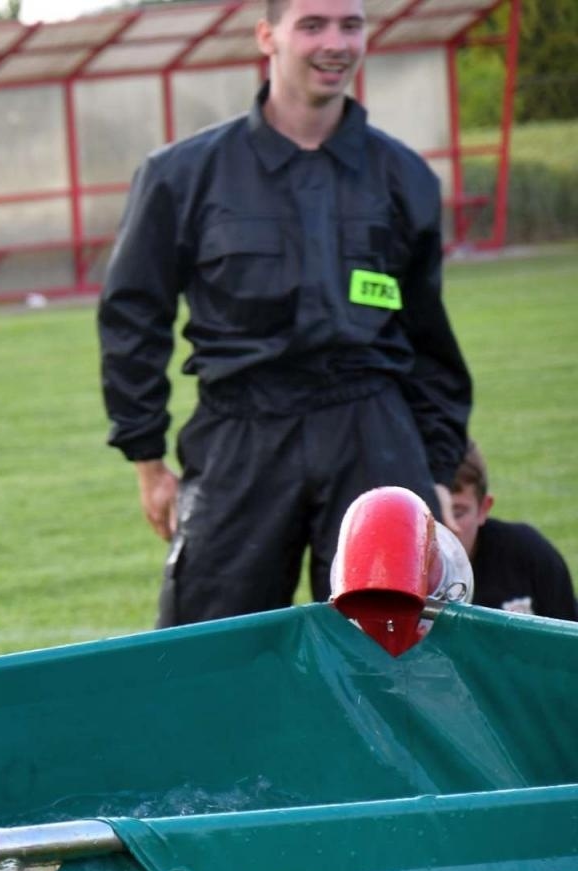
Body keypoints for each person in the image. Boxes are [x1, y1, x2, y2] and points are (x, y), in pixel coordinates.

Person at [98, 0, 472, 627]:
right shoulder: (182, 176)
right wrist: (147, 459)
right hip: (241, 434)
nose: (336, 43)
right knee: (211, 649)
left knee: (392, 647)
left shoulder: (405, 178)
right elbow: (133, 316)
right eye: (314, 25)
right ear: (267, 36)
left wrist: (433, 467)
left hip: (372, 432)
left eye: (351, 25)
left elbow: (429, 338)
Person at [448, 441, 576, 620]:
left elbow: (568, 638)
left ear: (483, 508)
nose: (446, 526)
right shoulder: (398, 571)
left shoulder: (529, 556)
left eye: (458, 513)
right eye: (431, 511)